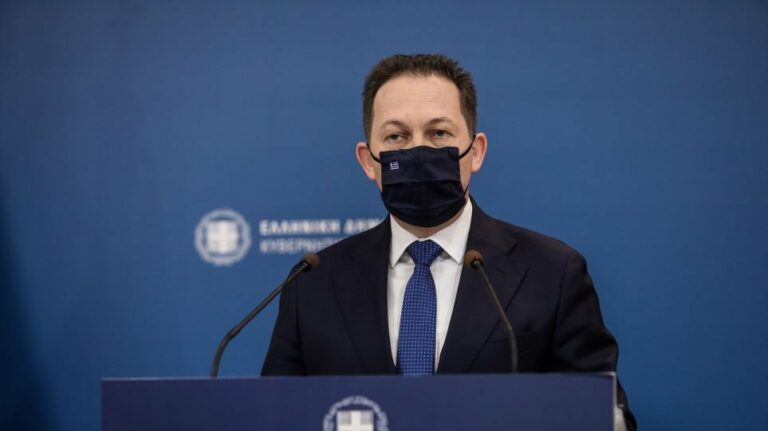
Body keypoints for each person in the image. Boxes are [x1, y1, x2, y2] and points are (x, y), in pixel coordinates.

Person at [261, 54, 636, 430]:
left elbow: (604, 416)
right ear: (368, 160)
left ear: (476, 151)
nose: (418, 152)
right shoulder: (313, 282)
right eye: (396, 137)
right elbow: (273, 416)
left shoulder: (552, 273)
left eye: (439, 133)